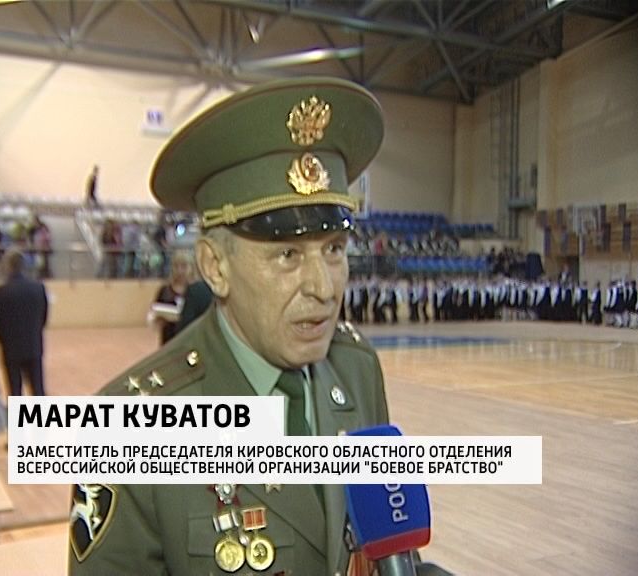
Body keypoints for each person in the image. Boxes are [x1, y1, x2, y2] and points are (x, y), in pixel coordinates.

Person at [69, 78, 450, 576]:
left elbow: (387, 553)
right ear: (215, 267)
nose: (323, 287)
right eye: (287, 254)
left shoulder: (356, 370)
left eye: (334, 249)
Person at [0, 248, 48, 396]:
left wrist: (3, 341)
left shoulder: (0, 291)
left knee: (14, 392)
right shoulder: (38, 288)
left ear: (8, 266)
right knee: (38, 391)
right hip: (33, 346)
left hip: (11, 348)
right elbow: (43, 317)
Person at [151, 251, 194, 345]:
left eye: (184, 266)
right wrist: (159, 319)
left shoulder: (197, 291)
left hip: (190, 340)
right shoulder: (165, 290)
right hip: (169, 340)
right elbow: (154, 314)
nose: (179, 271)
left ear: (191, 268)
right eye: (176, 266)